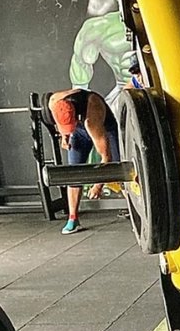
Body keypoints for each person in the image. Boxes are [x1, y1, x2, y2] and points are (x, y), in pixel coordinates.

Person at [42, 88, 121, 233]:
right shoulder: (54, 102)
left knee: (120, 169)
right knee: (74, 172)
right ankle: (73, 219)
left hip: (103, 127)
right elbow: (63, 113)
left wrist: (97, 186)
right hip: (78, 130)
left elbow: (106, 157)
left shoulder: (92, 117)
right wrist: (65, 135)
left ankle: (135, 208)